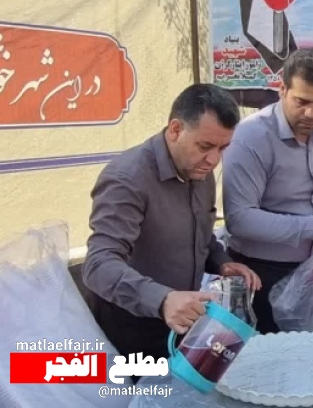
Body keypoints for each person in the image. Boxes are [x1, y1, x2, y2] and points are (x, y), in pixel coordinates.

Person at [82, 84, 262, 367]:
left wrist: (221, 263)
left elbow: (200, 235)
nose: (214, 160)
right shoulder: (127, 179)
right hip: (131, 329)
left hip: (184, 322)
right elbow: (98, 265)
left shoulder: (199, 172)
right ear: (175, 130)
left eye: (222, 148)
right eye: (205, 146)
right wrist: (162, 299)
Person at [222, 48, 313, 334]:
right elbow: (239, 218)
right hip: (259, 273)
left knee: (311, 351)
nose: (311, 113)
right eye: (302, 101)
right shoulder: (251, 136)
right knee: (267, 355)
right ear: (282, 89)